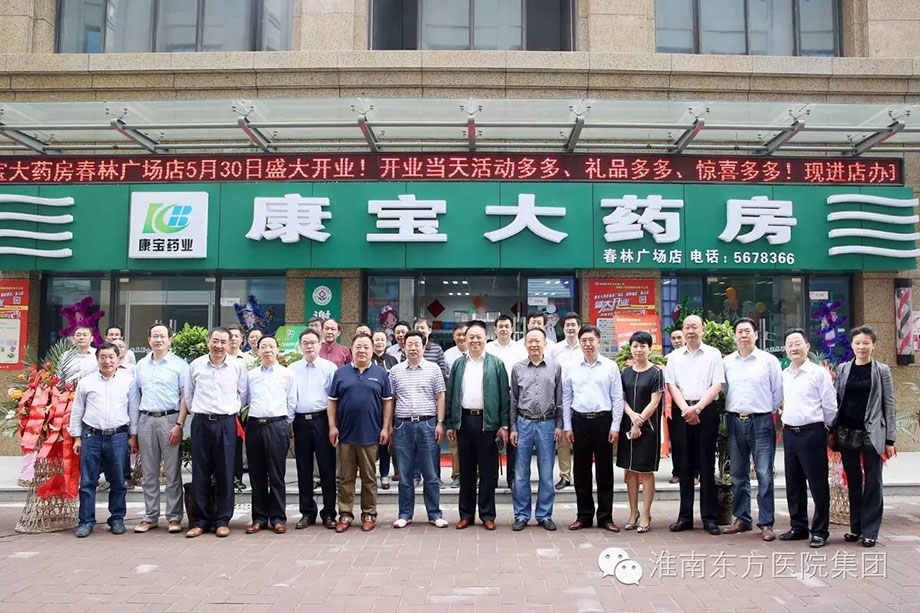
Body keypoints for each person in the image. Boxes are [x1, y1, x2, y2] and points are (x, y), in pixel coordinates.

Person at [721, 317, 783, 541]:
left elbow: (778, 392)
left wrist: (763, 410)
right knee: (738, 473)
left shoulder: (768, 361)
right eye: (740, 332)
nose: (744, 335)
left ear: (756, 335)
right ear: (734, 336)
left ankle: (766, 523)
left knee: (764, 473)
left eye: (748, 331)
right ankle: (742, 519)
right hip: (735, 420)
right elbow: (724, 390)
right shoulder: (727, 362)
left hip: (761, 421)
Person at [833, 326, 895, 548]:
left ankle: (870, 531)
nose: (861, 347)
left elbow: (889, 404)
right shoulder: (843, 369)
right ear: (852, 345)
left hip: (872, 433)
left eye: (866, 343)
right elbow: (836, 399)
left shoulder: (882, 371)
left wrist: (890, 439)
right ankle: (856, 528)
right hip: (846, 432)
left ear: (873, 345)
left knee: (873, 483)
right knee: (853, 482)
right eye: (858, 343)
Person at [446, 320, 509, 531]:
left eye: (478, 337)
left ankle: (487, 514)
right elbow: (451, 394)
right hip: (464, 421)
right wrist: (450, 422)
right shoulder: (458, 364)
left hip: (487, 423)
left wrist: (504, 424)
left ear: (486, 338)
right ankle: (466, 515)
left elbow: (504, 396)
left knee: (488, 471)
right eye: (470, 337)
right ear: (465, 339)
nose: (474, 341)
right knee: (466, 471)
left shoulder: (496, 364)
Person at [70, 342, 138, 538]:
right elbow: (77, 410)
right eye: (103, 357)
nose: (107, 361)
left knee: (118, 480)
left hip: (118, 436)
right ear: (97, 359)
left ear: (118, 359)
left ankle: (117, 518)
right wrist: (76, 437)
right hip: (91, 436)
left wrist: (133, 437)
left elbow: (133, 411)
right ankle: (86, 521)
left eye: (111, 357)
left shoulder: (128, 381)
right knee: (88, 481)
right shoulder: (86, 382)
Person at [185, 327, 248, 538]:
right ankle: (200, 521)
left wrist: (228, 411)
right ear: (208, 342)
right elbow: (189, 395)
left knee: (226, 472)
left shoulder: (237, 366)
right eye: (215, 341)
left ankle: (222, 520)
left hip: (226, 423)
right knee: (200, 472)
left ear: (230, 344)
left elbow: (243, 394)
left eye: (223, 342)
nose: (219, 346)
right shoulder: (196, 365)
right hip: (201, 422)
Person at [328, 333, 393, 533]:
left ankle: (369, 514)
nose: (362, 350)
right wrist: (332, 426)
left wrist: (385, 427)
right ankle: (345, 514)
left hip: (370, 434)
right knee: (346, 478)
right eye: (358, 347)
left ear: (372, 350)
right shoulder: (341, 373)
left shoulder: (380, 374)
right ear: (352, 349)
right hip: (346, 435)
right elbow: (332, 401)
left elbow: (387, 402)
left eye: (366, 347)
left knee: (369, 478)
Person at [563, 324, 624, 532]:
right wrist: (567, 426)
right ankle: (584, 516)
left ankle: (606, 517)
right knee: (581, 472)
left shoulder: (610, 366)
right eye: (584, 341)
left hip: (603, 422)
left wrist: (615, 426)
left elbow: (617, 398)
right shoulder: (571, 367)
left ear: (599, 342)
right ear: (580, 343)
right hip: (579, 422)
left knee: (605, 471)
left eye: (591, 340)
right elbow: (566, 398)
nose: (588, 344)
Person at [780, 328, 838, 548]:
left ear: (807, 346)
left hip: (812, 433)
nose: (794, 348)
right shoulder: (785, 374)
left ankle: (820, 530)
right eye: (790, 345)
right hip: (790, 433)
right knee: (793, 483)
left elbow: (830, 406)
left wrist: (826, 429)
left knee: (817, 483)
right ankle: (798, 526)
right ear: (786, 350)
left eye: (798, 344)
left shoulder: (818, 373)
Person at [129, 323, 189, 534]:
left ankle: (174, 517)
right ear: (149, 340)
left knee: (172, 472)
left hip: (169, 420)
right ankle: (150, 515)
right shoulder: (141, 365)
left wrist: (179, 424)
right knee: (149, 472)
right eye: (155, 336)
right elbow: (135, 397)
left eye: (163, 336)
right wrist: (134, 431)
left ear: (170, 340)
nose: (158, 340)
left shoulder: (180, 365)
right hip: (146, 420)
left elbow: (185, 397)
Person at [388, 330, 449, 529]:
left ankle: (434, 514)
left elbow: (440, 396)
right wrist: (389, 425)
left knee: (430, 474)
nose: (413, 348)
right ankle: (405, 514)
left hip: (428, 424)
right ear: (404, 347)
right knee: (405, 475)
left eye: (417, 344)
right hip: (402, 425)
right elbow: (391, 399)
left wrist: (440, 422)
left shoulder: (433, 369)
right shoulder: (395, 371)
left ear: (424, 347)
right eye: (409, 344)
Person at [510, 328, 563, 531]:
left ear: (545, 344)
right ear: (525, 344)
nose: (534, 345)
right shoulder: (517, 368)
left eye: (537, 341)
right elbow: (513, 400)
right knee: (521, 473)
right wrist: (513, 427)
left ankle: (544, 515)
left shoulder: (555, 367)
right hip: (523, 423)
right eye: (530, 341)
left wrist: (559, 425)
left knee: (546, 473)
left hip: (547, 424)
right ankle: (521, 515)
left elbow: (559, 398)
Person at [243, 336, 296, 535]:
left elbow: (292, 401)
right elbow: (244, 399)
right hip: (255, 425)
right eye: (263, 347)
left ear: (277, 350)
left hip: (277, 425)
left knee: (276, 474)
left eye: (271, 346)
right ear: (257, 351)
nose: (267, 350)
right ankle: (258, 518)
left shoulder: (287, 374)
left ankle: (278, 518)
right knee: (256, 474)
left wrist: (284, 424)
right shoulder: (251, 375)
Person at [288, 329, 339, 530]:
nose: (309, 346)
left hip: (322, 420)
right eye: (305, 343)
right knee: (303, 468)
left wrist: (333, 425)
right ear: (300, 346)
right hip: (300, 422)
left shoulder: (329, 368)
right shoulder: (292, 369)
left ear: (320, 345)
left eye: (313, 342)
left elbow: (334, 398)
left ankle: (329, 512)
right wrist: (289, 423)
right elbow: (290, 398)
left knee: (327, 468)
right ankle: (307, 512)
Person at [617, 331, 664, 534]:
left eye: (643, 346)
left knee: (646, 471)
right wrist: (631, 415)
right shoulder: (625, 372)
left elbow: (655, 402)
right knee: (630, 470)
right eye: (635, 346)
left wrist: (639, 421)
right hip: (628, 425)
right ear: (631, 348)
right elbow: (621, 398)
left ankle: (646, 514)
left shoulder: (656, 373)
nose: (638, 350)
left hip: (648, 428)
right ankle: (633, 512)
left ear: (649, 349)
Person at [486, 314, 525, 489]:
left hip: (514, 397)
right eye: (500, 326)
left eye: (506, 326)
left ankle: (512, 478)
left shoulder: (520, 349)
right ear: (495, 330)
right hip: (492, 398)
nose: (503, 329)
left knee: (513, 438)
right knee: (492, 438)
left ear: (512, 329)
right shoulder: (488, 348)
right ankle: (492, 478)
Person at [550, 311, 582, 490]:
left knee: (581, 439)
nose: (570, 328)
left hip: (581, 397)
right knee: (562, 439)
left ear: (579, 327)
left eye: (573, 325)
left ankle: (580, 474)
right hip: (561, 398)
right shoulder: (556, 349)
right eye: (567, 325)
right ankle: (565, 475)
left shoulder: (584, 347)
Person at [371, 329, 398, 490]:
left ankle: (384, 474)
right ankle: (370, 474)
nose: (379, 342)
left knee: (385, 443)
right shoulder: (367, 359)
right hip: (371, 408)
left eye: (382, 339)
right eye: (376, 339)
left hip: (388, 407)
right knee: (370, 443)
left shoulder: (392, 360)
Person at [442, 325, 467, 488]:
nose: (462, 337)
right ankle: (457, 474)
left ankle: (475, 475)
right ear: (453, 337)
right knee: (455, 443)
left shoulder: (480, 353)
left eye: (465, 334)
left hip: (474, 406)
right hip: (455, 404)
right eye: (458, 335)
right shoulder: (448, 355)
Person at [667, 327, 687, 484]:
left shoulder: (693, 357)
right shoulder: (667, 359)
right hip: (673, 405)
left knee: (692, 441)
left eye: (679, 337)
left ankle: (694, 473)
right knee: (677, 440)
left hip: (693, 403)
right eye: (673, 338)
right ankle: (677, 472)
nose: (677, 341)